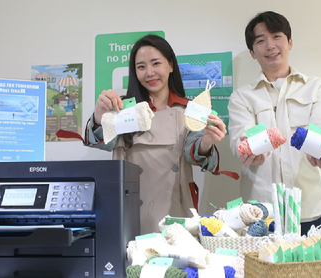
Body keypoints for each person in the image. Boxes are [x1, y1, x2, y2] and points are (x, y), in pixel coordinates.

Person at [83, 34, 232, 234]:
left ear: (170, 65)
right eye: (141, 67)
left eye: (156, 63)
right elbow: (103, 143)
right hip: (130, 209)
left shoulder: (189, 109)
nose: (149, 73)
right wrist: (100, 116)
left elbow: (193, 150)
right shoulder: (123, 109)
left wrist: (207, 141)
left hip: (174, 209)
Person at [228, 11, 321, 239]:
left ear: (289, 42)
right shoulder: (242, 97)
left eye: (277, 36)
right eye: (260, 41)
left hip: (311, 213)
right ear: (252, 52)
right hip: (262, 215)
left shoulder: (318, 88)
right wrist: (247, 151)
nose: (270, 46)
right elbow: (239, 139)